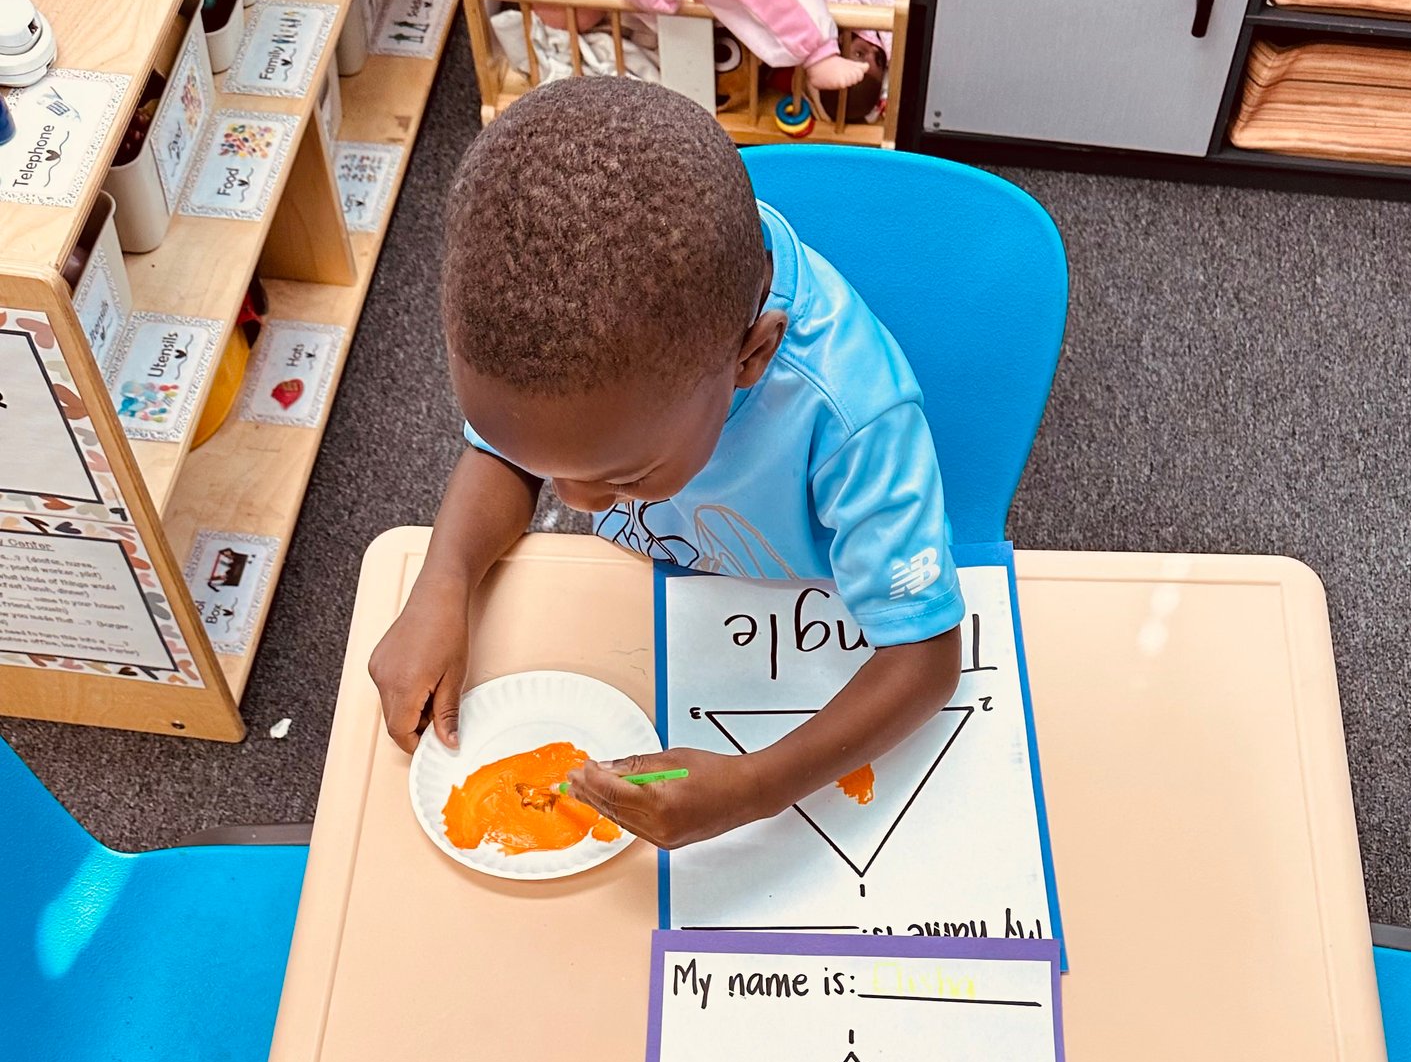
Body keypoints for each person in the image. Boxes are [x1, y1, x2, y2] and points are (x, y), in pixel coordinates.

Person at [369, 74, 965, 850]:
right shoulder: (571, 362)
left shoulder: (853, 416)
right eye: (553, 470)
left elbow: (926, 657)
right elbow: (510, 454)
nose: (577, 504)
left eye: (623, 478)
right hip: (642, 616)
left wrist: (755, 789)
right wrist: (442, 584)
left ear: (753, 358)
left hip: (796, 637)